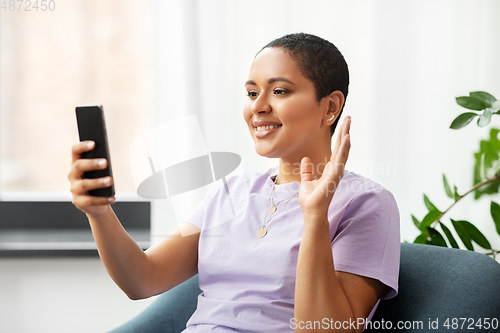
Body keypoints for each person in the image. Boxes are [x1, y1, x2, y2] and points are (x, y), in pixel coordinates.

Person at [69, 33, 400, 332]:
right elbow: (143, 279)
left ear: (329, 107)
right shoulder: (233, 190)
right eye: (252, 92)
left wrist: (314, 216)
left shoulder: (367, 202)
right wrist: (99, 213)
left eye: (280, 91)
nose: (258, 106)